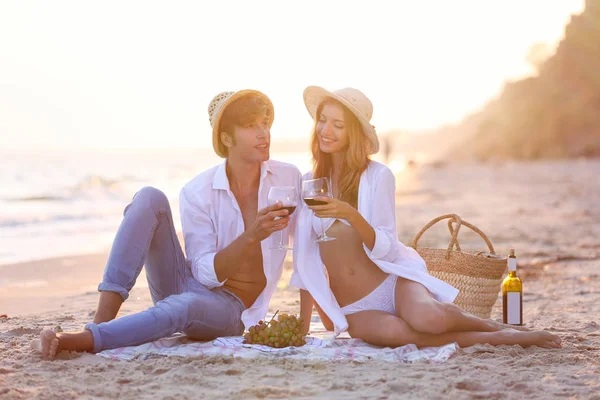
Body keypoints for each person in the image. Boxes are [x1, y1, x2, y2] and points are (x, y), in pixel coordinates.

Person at [290, 86, 562, 349]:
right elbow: (304, 260)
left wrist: (349, 214)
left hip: (391, 281)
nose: (326, 130)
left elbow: (385, 244)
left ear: (353, 132)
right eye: (322, 121)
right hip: (353, 306)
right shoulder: (308, 184)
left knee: (430, 319)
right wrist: (301, 331)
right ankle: (505, 338)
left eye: (338, 124)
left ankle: (495, 327)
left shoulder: (377, 176)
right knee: (402, 335)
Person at [38, 89, 302, 359]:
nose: (263, 133)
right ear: (226, 138)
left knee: (185, 305)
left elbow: (307, 247)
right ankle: (100, 322)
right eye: (250, 126)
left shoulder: (287, 178)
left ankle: (87, 339)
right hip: (188, 283)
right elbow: (203, 274)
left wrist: (315, 314)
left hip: (234, 310)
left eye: (265, 124)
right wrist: (252, 235)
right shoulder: (197, 191)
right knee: (149, 197)